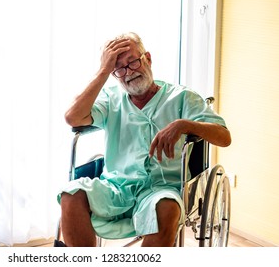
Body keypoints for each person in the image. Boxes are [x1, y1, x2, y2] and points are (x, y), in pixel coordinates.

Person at [57, 32, 231, 247]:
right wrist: (103, 71)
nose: (128, 72)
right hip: (116, 188)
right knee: (71, 195)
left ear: (147, 58)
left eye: (133, 62)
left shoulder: (183, 98)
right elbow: (72, 117)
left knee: (166, 207)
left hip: (162, 188)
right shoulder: (111, 99)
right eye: (118, 68)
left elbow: (224, 137)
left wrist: (184, 124)